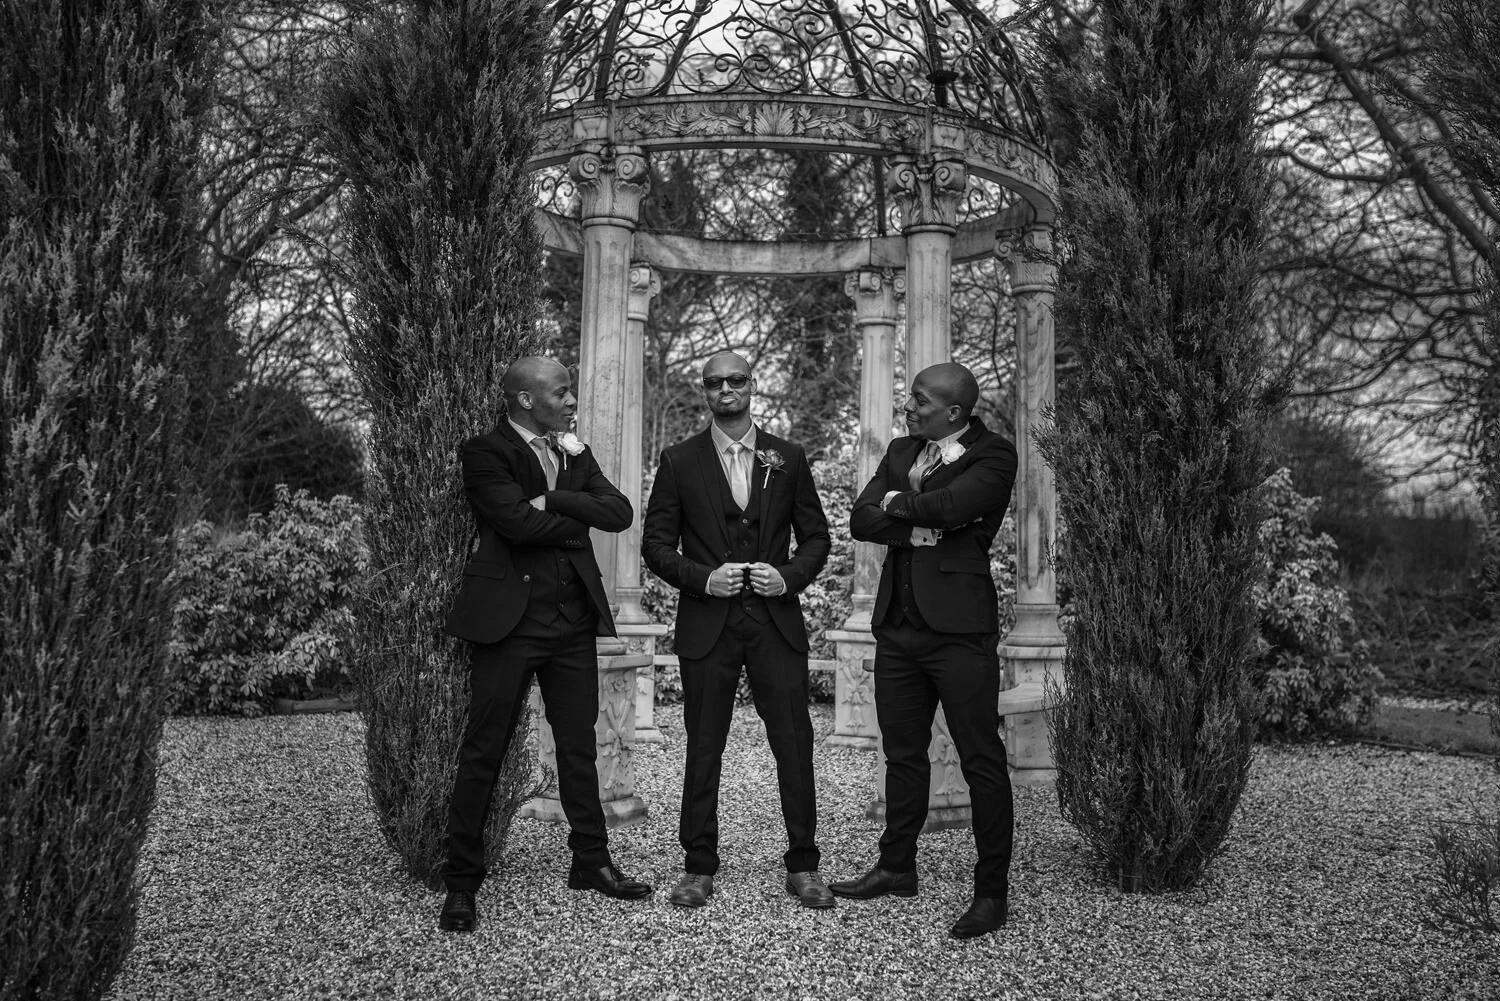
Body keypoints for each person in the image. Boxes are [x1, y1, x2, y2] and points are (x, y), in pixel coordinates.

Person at [439, 356, 653, 933]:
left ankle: (591, 862)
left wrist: (555, 501)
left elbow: (619, 513)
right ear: (525, 400)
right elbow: (515, 525)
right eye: (561, 392)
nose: (571, 401)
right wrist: (572, 517)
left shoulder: (573, 452)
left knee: (579, 747)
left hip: (572, 625)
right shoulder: (485, 452)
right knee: (484, 751)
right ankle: (462, 882)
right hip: (508, 626)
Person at [828, 361, 1018, 940]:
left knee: (981, 759)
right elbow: (861, 520)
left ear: (954, 411)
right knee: (902, 754)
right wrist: (916, 523)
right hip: (898, 628)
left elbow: (955, 507)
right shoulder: (901, 449)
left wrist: (897, 502)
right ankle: (896, 867)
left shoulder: (995, 454)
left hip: (960, 632)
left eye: (919, 401)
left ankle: (991, 893)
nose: (908, 408)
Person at [641, 350, 834, 910]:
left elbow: (817, 537)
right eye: (714, 382)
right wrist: (704, 579)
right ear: (704, 391)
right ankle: (698, 865)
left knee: (794, 744)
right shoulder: (679, 460)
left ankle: (804, 864)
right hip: (708, 626)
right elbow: (656, 545)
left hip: (776, 624)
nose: (725, 389)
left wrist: (788, 577)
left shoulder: (788, 456)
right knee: (704, 746)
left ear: (752, 385)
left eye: (736, 380)